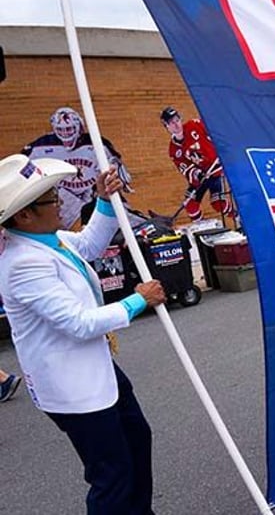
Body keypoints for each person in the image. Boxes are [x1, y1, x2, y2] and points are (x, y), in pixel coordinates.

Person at [0, 154, 166, 513]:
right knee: (112, 473)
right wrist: (137, 301)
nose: (61, 203)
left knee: (137, 439)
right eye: (53, 200)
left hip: (98, 368)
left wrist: (104, 201)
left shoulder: (51, 238)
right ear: (24, 215)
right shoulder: (22, 264)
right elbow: (79, 322)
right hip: (73, 386)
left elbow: (89, 245)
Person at [22, 107, 133, 228]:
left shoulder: (96, 143)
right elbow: (21, 167)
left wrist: (118, 180)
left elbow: (117, 169)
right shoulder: (41, 146)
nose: (65, 133)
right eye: (61, 129)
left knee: (121, 224)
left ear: (79, 126)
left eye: (69, 129)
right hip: (64, 198)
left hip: (93, 195)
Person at [160, 107, 236, 222]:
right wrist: (197, 174)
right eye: (171, 122)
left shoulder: (194, 125)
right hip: (201, 176)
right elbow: (185, 168)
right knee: (190, 205)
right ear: (166, 126)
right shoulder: (173, 150)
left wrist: (224, 144)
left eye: (177, 120)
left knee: (218, 204)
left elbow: (215, 130)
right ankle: (201, 226)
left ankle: (238, 217)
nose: (176, 124)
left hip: (215, 169)